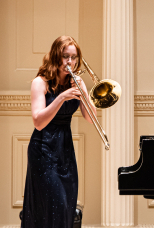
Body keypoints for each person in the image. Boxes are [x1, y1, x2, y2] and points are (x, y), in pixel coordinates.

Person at [22, 35, 96, 228]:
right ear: (56, 55)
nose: (69, 62)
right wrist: (61, 97)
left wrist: (83, 93)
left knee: (66, 206)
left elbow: (91, 118)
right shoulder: (40, 82)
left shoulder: (76, 82)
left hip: (65, 150)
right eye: (65, 56)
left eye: (74, 57)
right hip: (43, 149)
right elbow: (38, 122)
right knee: (52, 205)